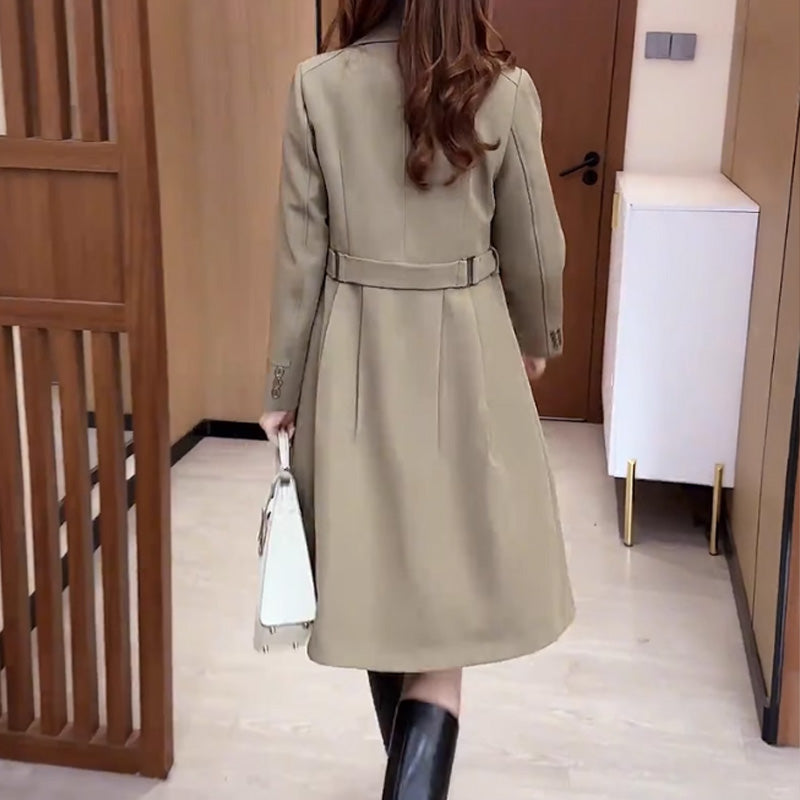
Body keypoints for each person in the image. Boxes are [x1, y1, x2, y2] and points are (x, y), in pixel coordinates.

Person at [260, 1, 574, 796]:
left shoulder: (317, 85)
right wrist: (536, 336)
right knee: (439, 629)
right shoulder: (501, 90)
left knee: (380, 586)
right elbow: (536, 241)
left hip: (351, 358)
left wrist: (282, 385)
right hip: (467, 355)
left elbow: (300, 252)